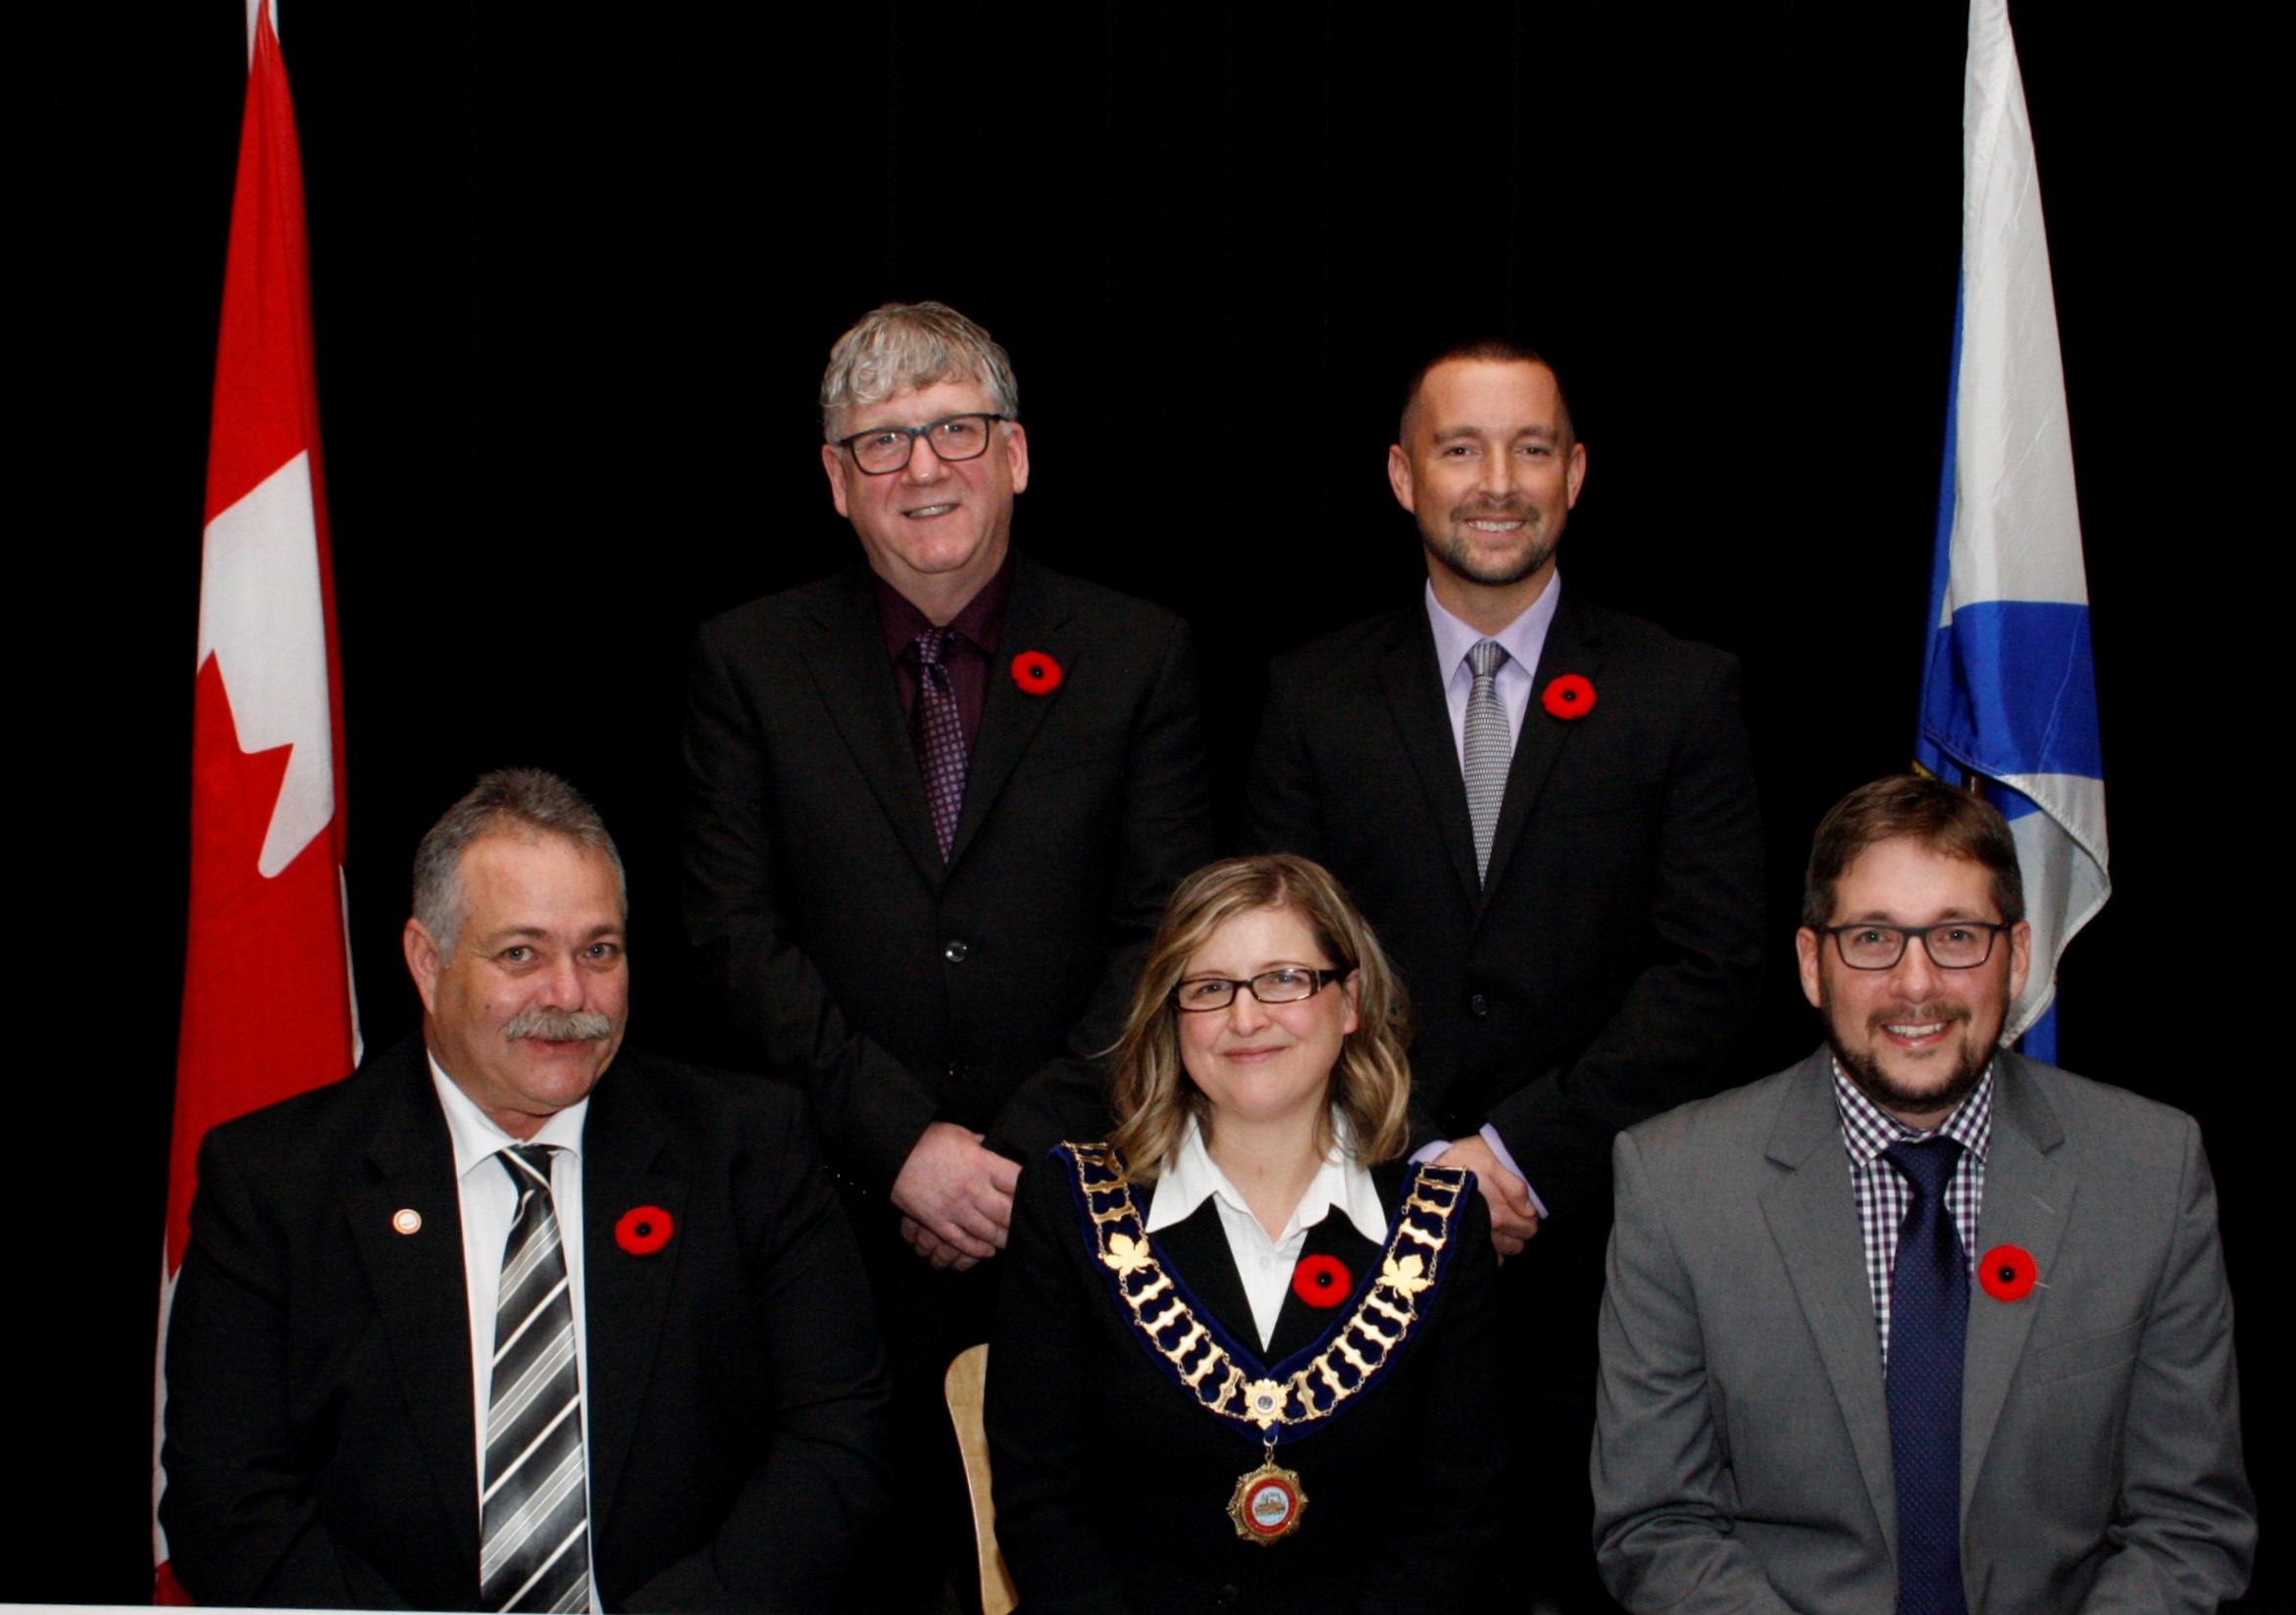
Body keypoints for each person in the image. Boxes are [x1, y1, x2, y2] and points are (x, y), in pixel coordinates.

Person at [679, 300, 1214, 1601]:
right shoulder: (746, 661)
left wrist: (1019, 1150)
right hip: (830, 1227)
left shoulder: (1138, 654)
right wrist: (905, 1142)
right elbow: (729, 933)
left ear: (1016, 454)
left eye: (954, 431)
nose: (923, 469)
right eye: (882, 443)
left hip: (1085, 1213)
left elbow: (1167, 929)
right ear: (832, 481)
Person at [1245, 336, 1764, 1601]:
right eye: (1460, 447)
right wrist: (1425, 1159)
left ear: (1576, 474)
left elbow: (1715, 971)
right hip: (1356, 1243)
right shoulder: (1309, 697)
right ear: (1401, 474)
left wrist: (1519, 1153)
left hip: (1607, 1257)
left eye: (1532, 448)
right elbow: (1273, 966)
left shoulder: (1681, 693)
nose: (1497, 480)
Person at [160, 769, 889, 1613]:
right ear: (426, 964)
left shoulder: (746, 1150)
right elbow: (228, 1502)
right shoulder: (275, 1181)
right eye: (521, 953)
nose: (569, 996)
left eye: (599, 951)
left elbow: (837, 1444)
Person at [1593, 775, 2255, 1613]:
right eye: (1871, 937)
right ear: (1811, 963)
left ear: (2015, 956)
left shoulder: (2149, 1171)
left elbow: (2188, 1525)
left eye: (1955, 935)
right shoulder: (1677, 1183)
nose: (1915, 984)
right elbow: (1657, 1526)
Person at [988, 854, 1505, 1615]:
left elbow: (1452, 1520)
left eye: (1284, 978)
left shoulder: (1441, 1219)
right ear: (1171, 1016)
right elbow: (1043, 1507)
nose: (1245, 1016)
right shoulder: (1074, 1203)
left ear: (1350, 999)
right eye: (1208, 989)